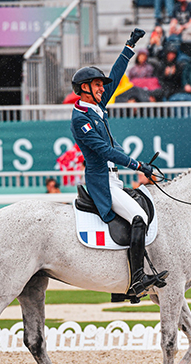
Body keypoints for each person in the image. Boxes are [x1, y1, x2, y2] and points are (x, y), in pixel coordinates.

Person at [69, 28, 168, 298]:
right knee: (138, 217)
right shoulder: (81, 118)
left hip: (114, 179)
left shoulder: (96, 106)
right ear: (85, 89)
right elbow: (104, 151)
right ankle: (135, 281)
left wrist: (129, 45)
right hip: (102, 182)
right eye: (98, 85)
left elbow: (116, 73)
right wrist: (138, 166)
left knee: (138, 215)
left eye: (102, 85)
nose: (104, 88)